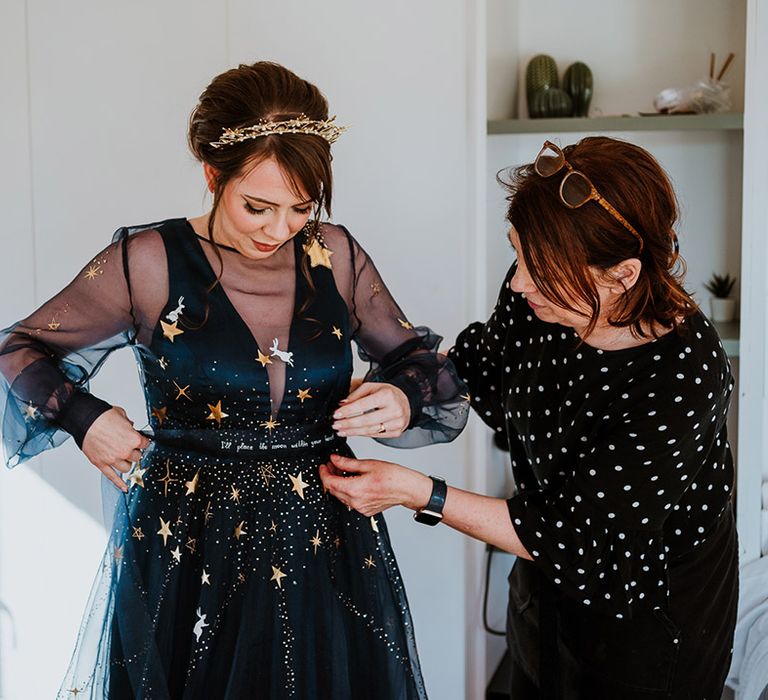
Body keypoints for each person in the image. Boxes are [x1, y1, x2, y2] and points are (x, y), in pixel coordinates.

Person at [0, 61, 467, 699]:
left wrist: (401, 396)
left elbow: (424, 365)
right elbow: (20, 348)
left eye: (301, 208)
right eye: (258, 206)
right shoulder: (150, 260)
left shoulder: (336, 254)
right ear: (212, 176)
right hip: (185, 539)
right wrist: (86, 419)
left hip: (323, 540)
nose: (280, 231)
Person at [321, 136, 739, 699]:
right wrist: (396, 392)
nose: (518, 282)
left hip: (647, 619)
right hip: (545, 586)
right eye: (518, 254)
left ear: (621, 275)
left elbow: (580, 537)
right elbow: (480, 366)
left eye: (540, 268)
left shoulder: (683, 373)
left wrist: (418, 492)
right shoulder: (538, 297)